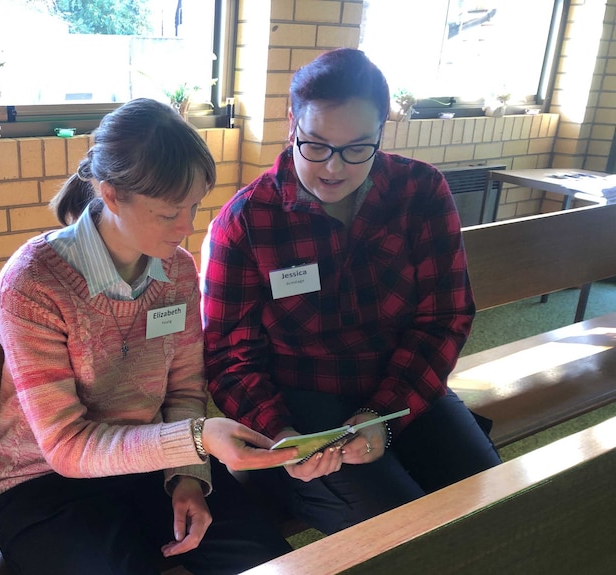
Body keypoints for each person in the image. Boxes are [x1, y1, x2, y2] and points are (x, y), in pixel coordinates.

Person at [0, 98, 295, 575]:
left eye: (193, 207)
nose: (187, 227)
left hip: (156, 463)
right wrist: (195, 440)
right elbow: (66, 447)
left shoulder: (177, 270)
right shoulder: (32, 284)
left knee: (269, 561)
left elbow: (186, 389)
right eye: (169, 212)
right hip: (45, 485)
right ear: (110, 195)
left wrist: (188, 477)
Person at [200, 49, 502, 537]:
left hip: (402, 386)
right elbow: (229, 356)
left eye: (358, 148)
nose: (333, 168)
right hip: (301, 404)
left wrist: (381, 417)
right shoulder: (247, 222)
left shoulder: (420, 193)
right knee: (403, 534)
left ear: (383, 131)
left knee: (487, 500)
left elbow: (443, 319)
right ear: (291, 123)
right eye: (315, 145)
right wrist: (281, 434)